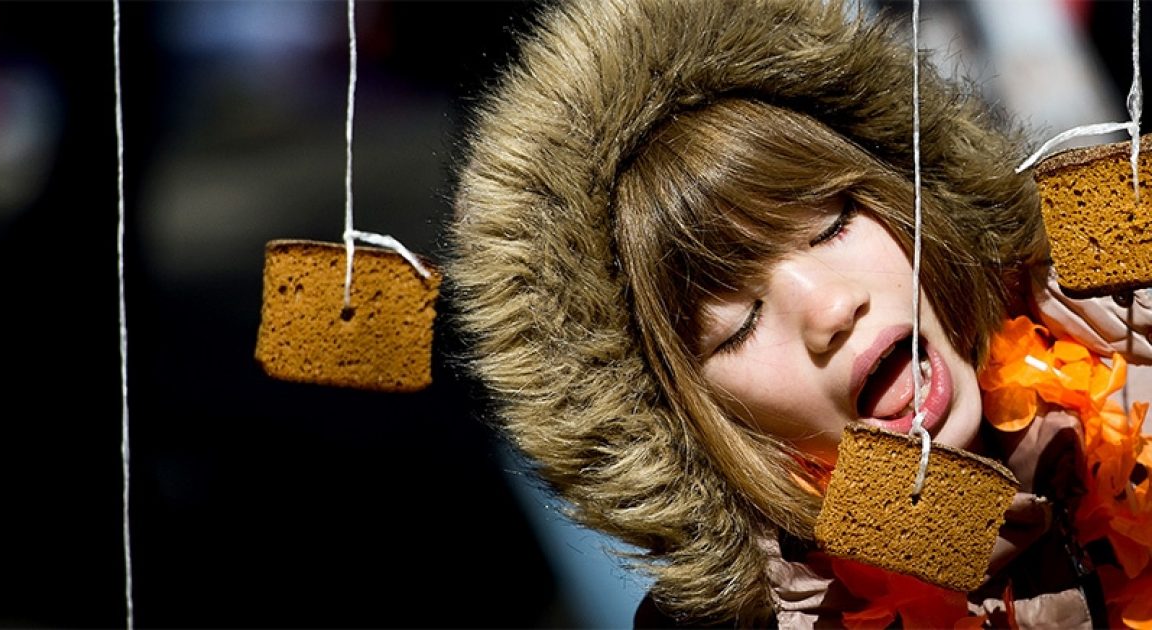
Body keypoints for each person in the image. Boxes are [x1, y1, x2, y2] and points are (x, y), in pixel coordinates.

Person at [446, 0, 1152, 626]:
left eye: (832, 224)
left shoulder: (1133, 381)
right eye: (740, 325)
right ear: (682, 427)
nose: (831, 308)